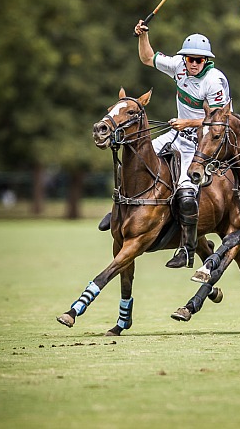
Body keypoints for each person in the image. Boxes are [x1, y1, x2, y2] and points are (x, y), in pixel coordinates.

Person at [99, 22, 231, 269]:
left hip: (201, 146)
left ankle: (187, 249)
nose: (193, 63)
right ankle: (118, 213)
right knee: (135, 159)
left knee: (186, 193)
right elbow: (148, 57)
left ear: (206, 61)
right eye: (190, 58)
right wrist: (143, 35)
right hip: (176, 135)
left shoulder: (215, 81)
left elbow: (221, 121)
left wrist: (187, 122)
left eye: (198, 60)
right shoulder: (179, 67)